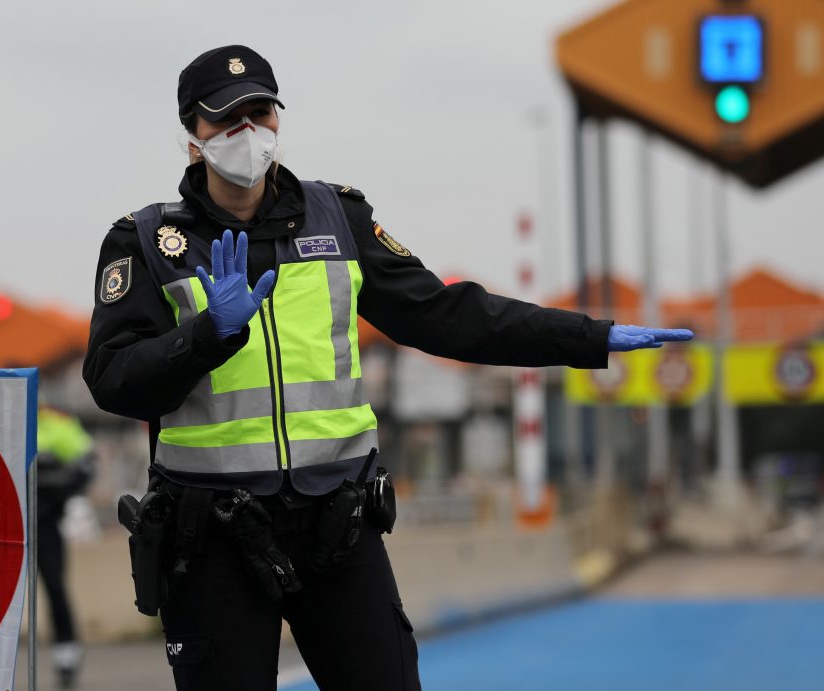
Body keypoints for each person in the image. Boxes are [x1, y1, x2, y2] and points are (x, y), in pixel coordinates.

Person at [83, 45, 692, 691]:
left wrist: (588, 336)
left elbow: (446, 315)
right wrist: (208, 335)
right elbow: (113, 381)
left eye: (260, 113)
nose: (247, 132)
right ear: (192, 136)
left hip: (335, 526)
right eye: (226, 119)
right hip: (211, 535)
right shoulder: (147, 242)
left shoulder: (339, 218)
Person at [35, 405, 95, 689]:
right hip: (6, 524)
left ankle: (67, 656)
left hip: (45, 523)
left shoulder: (58, 423)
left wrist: (55, 495)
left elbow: (86, 464)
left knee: (55, 588)